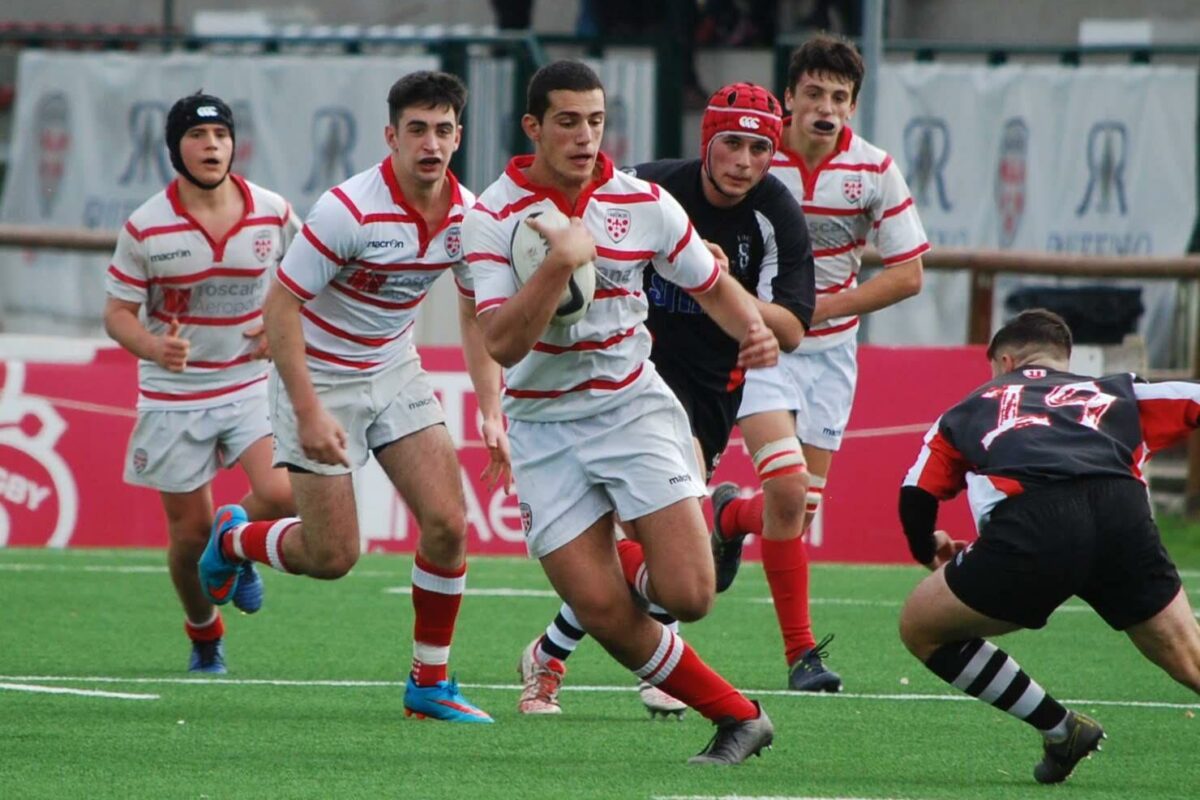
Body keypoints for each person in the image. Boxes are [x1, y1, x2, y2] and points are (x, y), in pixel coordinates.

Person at [463, 60, 778, 764]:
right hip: (543, 427)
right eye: (567, 121)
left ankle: (652, 548)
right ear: (533, 127)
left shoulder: (643, 202)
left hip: (631, 408)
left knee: (691, 594)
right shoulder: (489, 216)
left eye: (596, 121)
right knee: (605, 613)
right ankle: (740, 718)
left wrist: (751, 327)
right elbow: (503, 344)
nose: (583, 136)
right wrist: (559, 263)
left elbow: (710, 281)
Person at [196, 71, 509, 723]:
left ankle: (429, 684)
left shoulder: (469, 215)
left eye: (444, 129)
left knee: (451, 524)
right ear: (391, 136)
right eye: (417, 129)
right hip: (319, 376)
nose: (431, 142)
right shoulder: (349, 209)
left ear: (459, 136)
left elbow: (477, 310)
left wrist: (490, 408)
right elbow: (281, 305)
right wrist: (307, 409)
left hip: (394, 370)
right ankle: (234, 539)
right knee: (333, 557)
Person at [515, 82, 818, 716]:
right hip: (634, 374)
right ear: (707, 141)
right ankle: (655, 657)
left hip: (711, 385)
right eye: (731, 143)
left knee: (666, 562)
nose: (743, 160)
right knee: (634, 542)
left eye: (759, 148)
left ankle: (550, 651)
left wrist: (719, 284)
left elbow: (790, 327)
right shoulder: (648, 190)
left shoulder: (775, 214)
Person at [710, 33, 929, 692]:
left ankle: (727, 518)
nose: (825, 107)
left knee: (796, 509)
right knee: (785, 488)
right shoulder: (756, 159)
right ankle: (801, 655)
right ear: (789, 99)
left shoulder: (872, 170)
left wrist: (823, 309)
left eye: (838, 96)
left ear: (853, 106)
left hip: (831, 353)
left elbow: (910, 273)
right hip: (757, 342)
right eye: (813, 94)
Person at [897, 308, 1200, 784]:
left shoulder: (970, 407)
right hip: (1123, 516)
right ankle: (1064, 734)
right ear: (1066, 359)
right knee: (1190, 658)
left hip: (1035, 527)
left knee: (921, 627)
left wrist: (926, 547)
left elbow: (915, 494)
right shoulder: (1119, 390)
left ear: (1004, 361)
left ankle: (1061, 729)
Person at [103, 92, 298, 674]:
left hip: (247, 383)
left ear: (234, 145)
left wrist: (278, 331)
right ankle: (204, 633)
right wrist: (154, 345)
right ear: (175, 149)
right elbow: (116, 315)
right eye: (196, 136)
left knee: (285, 492)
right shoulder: (145, 226)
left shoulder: (272, 211)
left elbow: (308, 280)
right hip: (172, 394)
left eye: (220, 136)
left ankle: (233, 545)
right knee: (187, 539)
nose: (211, 146)